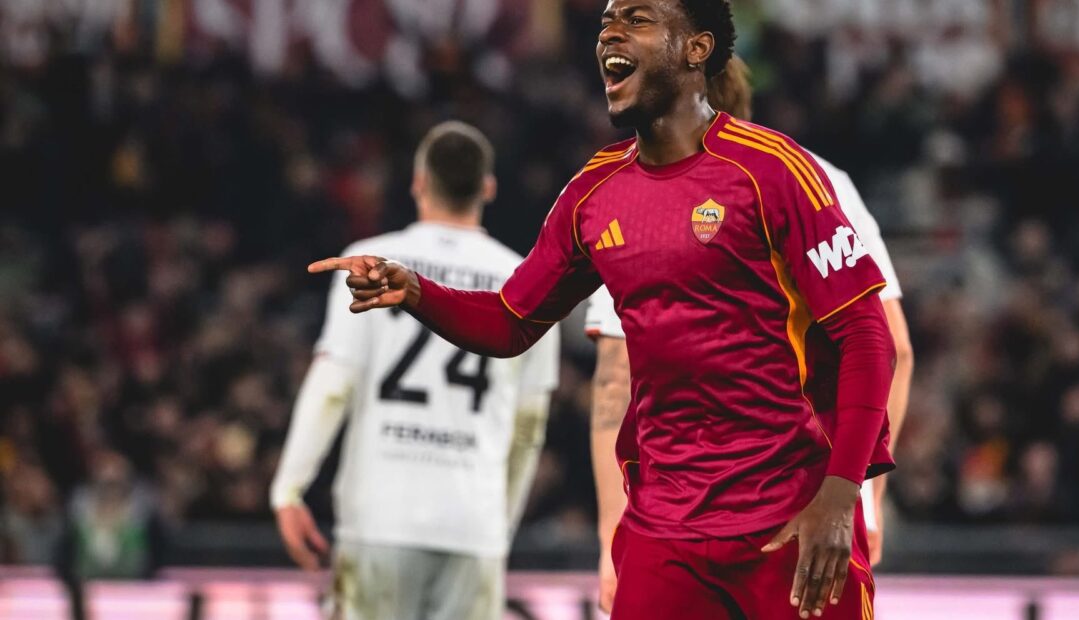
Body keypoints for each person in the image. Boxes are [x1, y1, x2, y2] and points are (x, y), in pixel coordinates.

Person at [309, 1, 896, 617]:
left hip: (792, 517)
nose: (611, 33)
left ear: (696, 49)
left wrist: (841, 495)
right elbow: (510, 322)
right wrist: (416, 291)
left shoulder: (772, 169)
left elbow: (867, 335)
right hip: (665, 528)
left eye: (637, 19)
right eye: (606, 22)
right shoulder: (593, 192)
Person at [585, 55, 915, 613]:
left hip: (677, 516)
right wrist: (865, 494)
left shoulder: (628, 190)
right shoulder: (821, 178)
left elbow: (617, 380)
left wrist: (609, 535)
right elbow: (891, 346)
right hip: (809, 494)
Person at [271, 121, 560, 620]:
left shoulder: (368, 263)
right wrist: (499, 525)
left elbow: (332, 386)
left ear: (418, 182)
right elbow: (528, 425)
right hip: (472, 523)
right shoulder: (525, 281)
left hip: (380, 516)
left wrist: (289, 489)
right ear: (487, 188)